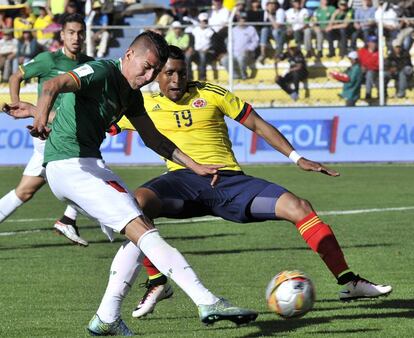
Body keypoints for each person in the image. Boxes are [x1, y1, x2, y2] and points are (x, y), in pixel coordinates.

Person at [105, 45, 392, 319]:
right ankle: (157, 281)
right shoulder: (142, 105)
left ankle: (349, 281)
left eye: (182, 72)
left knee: (300, 207)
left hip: (230, 183)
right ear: (157, 75)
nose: (177, 79)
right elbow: (103, 125)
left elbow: (256, 124)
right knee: (137, 203)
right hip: (183, 184)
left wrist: (296, 157)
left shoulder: (212, 93)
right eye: (169, 73)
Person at [8, 32, 257, 336]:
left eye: (155, 71)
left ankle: (107, 317)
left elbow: (153, 139)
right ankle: (207, 301)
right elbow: (52, 84)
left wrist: (195, 166)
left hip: (90, 165)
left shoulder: (132, 94)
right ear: (128, 55)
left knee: (141, 222)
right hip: (70, 167)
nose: (149, 75)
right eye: (147, 66)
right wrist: (40, 120)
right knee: (142, 229)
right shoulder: (102, 70)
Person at [1, 14, 94, 247]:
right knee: (91, 174)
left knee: (24, 191)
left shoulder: (90, 64)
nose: (76, 37)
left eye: (80, 32)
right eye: (71, 32)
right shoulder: (48, 60)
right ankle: (68, 220)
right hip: (50, 133)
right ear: (62, 35)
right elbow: (16, 76)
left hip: (66, 132)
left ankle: (68, 219)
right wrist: (16, 101)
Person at [357, 35, 379, 99]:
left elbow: (378, 65)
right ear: (368, 43)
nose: (373, 44)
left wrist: (367, 68)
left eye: (375, 42)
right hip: (362, 72)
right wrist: (361, 67)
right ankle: (354, 94)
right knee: (356, 73)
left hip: (373, 73)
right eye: (372, 42)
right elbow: (357, 62)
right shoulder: (361, 51)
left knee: (369, 74)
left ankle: (368, 93)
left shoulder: (378, 52)